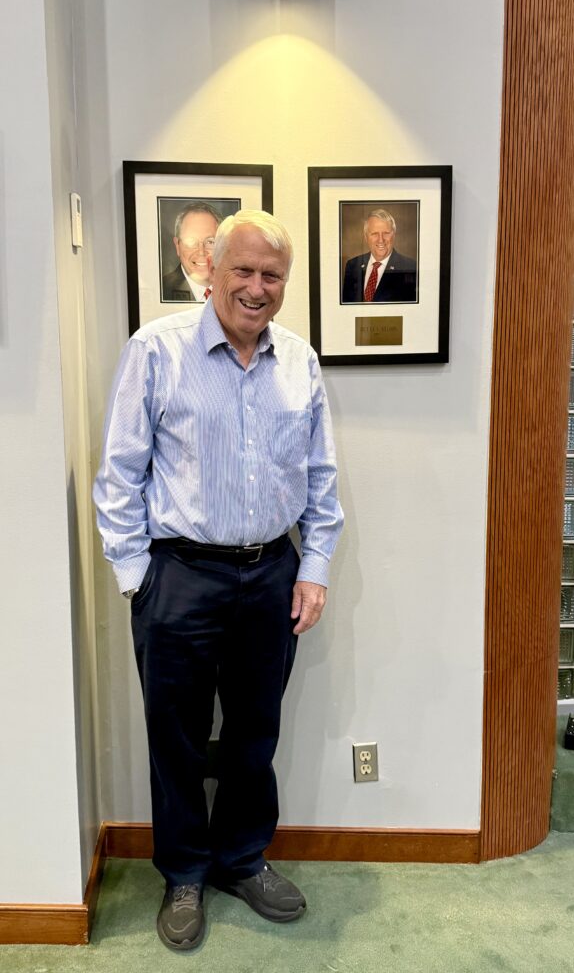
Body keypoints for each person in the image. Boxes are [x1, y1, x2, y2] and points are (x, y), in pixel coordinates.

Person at [93, 209, 344, 952]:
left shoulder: (299, 362)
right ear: (211, 271)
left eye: (272, 276)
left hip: (273, 574)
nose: (257, 287)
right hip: (180, 575)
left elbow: (323, 478)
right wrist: (139, 576)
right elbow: (118, 473)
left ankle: (241, 859)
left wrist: (316, 568)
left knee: (252, 732)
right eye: (244, 271)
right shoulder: (157, 350)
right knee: (175, 736)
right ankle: (183, 873)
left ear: (284, 284)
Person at [341, 208, 417, 303]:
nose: (381, 240)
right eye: (374, 234)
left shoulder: (410, 267)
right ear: (366, 237)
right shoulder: (352, 265)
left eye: (386, 233)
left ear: (394, 235)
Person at [162, 201, 222, 302]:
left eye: (210, 241)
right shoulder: (162, 289)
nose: (201, 252)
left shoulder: (235, 288)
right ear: (177, 246)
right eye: (191, 241)